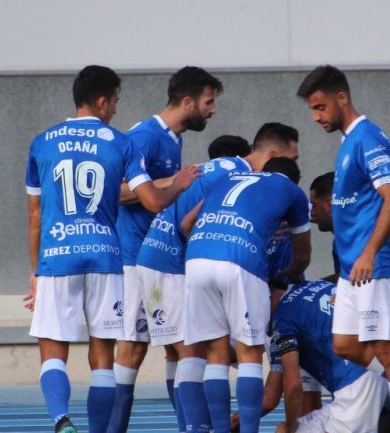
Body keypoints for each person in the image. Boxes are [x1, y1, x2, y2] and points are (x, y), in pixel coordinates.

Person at [24, 65, 198, 433]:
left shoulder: (42, 142)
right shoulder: (122, 142)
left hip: (57, 256)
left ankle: (61, 420)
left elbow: (35, 215)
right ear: (103, 101)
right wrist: (180, 185)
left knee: (53, 349)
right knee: (102, 358)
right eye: (116, 101)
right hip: (106, 256)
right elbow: (151, 200)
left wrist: (35, 270)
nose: (116, 109)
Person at [297, 65, 390, 433]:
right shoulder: (348, 142)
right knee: (345, 344)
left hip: (377, 266)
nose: (316, 117)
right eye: (313, 110)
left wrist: (368, 253)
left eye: (320, 108)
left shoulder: (368, 138)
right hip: (353, 272)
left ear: (342, 99)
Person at [109, 66, 223, 433]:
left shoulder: (174, 139)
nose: (213, 110)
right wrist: (172, 182)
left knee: (177, 345)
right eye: (208, 102)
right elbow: (116, 191)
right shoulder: (145, 136)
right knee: (133, 350)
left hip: (159, 258)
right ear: (187, 101)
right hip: (131, 257)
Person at [182, 157, 312, 433]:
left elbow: (186, 224)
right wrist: (289, 273)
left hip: (196, 258)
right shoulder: (291, 191)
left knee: (215, 353)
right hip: (241, 259)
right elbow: (303, 253)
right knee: (249, 351)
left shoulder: (227, 179)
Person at [269, 279, 390, 433]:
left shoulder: (282, 319)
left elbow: (293, 385)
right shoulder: (312, 284)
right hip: (384, 361)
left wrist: (290, 426)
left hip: (355, 383)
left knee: (286, 431)